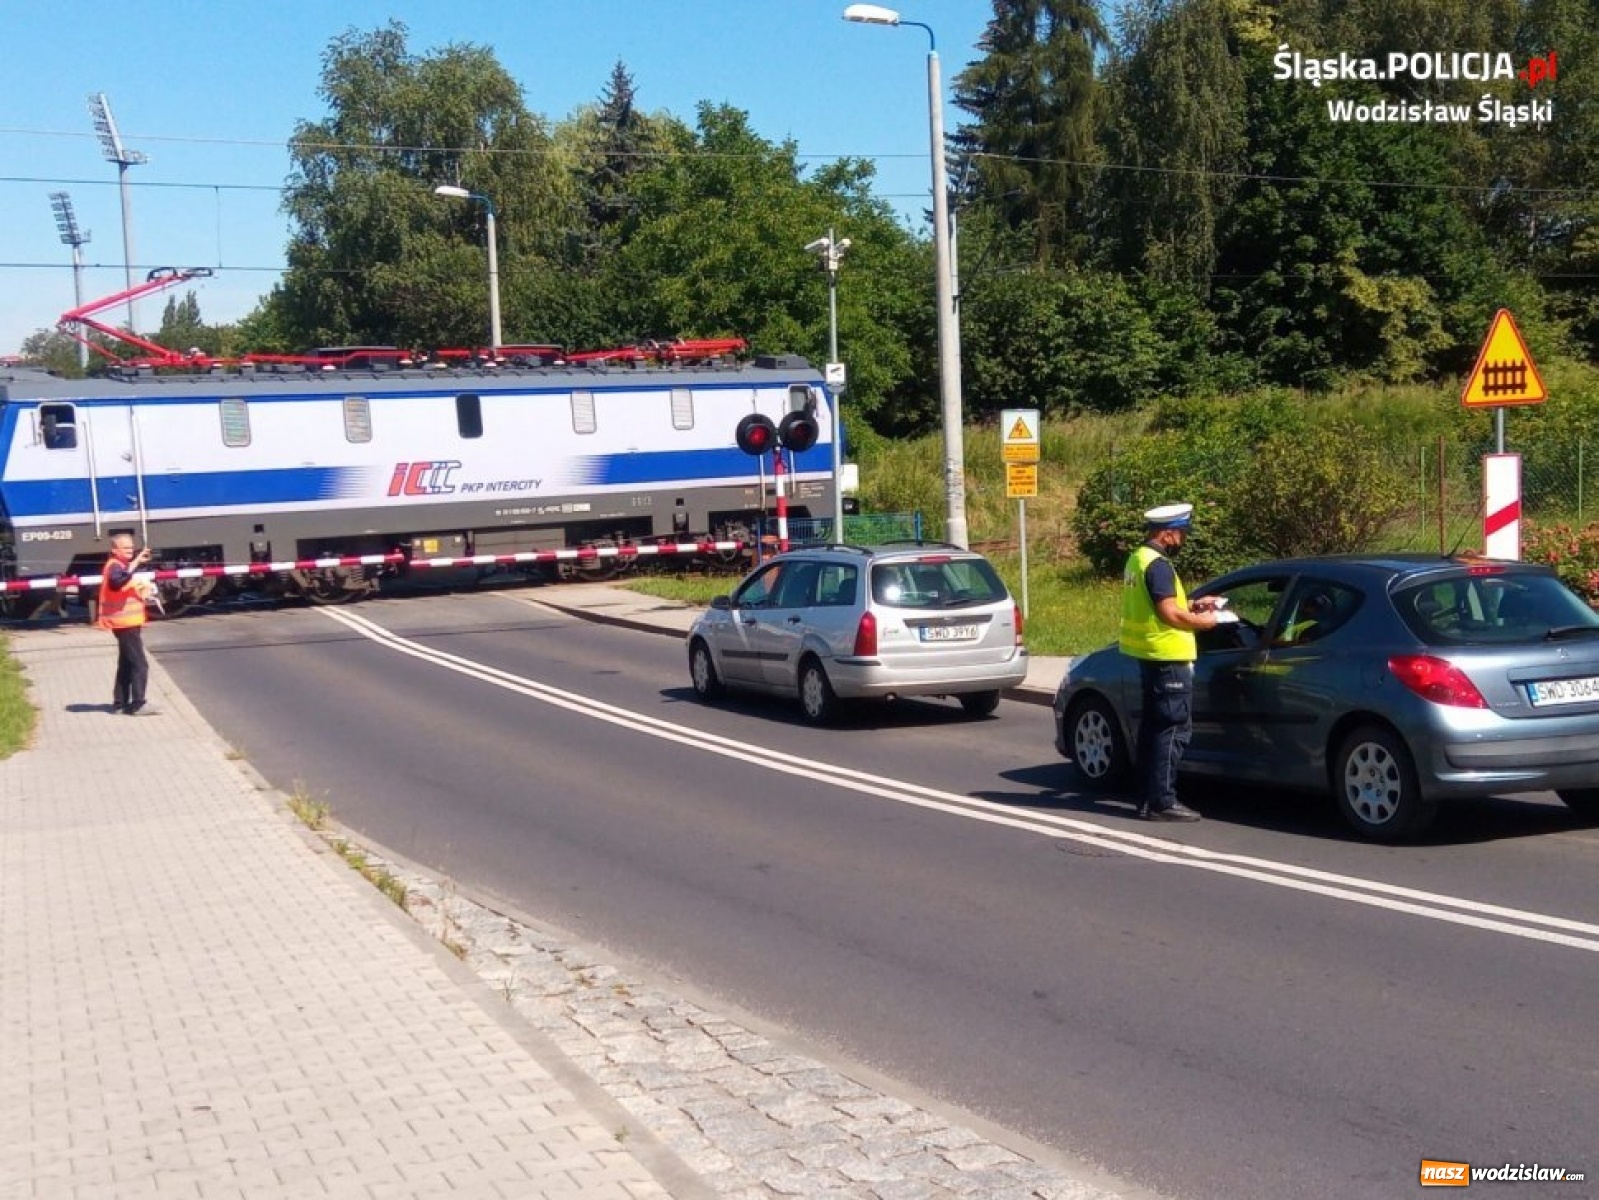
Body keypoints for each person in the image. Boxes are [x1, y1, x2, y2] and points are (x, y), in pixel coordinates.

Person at [1119, 503, 1227, 821]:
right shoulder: (1160, 565)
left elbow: (1162, 602)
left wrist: (1193, 603)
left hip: (1151, 655)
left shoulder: (1138, 558)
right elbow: (1168, 613)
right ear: (1168, 533)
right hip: (1169, 657)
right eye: (1180, 533)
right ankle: (1163, 802)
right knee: (1173, 729)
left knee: (1153, 728)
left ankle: (1147, 798)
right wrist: (1206, 622)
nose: (1182, 539)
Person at [98, 531, 157, 716]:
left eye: (131, 547)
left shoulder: (119, 565)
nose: (130, 551)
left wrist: (136, 562)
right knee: (140, 663)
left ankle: (120, 703)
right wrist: (135, 565)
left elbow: (123, 580)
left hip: (125, 622)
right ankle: (138, 704)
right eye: (125, 548)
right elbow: (117, 582)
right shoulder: (115, 566)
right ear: (114, 550)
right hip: (125, 623)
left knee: (125, 663)